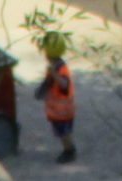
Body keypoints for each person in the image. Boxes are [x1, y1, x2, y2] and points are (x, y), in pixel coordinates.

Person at [36, 33, 76, 164]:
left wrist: (53, 75)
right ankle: (68, 149)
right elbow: (49, 82)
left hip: (62, 111)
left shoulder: (60, 69)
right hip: (58, 110)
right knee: (61, 132)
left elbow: (64, 84)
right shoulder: (56, 66)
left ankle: (69, 150)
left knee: (63, 133)